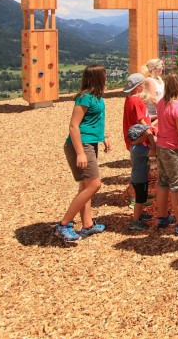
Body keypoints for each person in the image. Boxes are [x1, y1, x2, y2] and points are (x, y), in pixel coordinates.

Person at [54, 65, 111, 243]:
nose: (107, 77)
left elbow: (94, 122)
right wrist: (80, 152)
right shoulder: (84, 98)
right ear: (97, 78)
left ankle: (87, 225)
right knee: (95, 185)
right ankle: (64, 225)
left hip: (90, 143)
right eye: (104, 75)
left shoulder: (97, 97)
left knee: (86, 186)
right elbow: (73, 126)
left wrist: (104, 137)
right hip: (81, 145)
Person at [154, 74, 178, 234]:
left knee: (163, 182)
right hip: (173, 149)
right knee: (177, 185)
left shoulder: (161, 103)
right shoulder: (177, 106)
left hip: (161, 146)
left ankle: (162, 217)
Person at [122, 72, 154, 211]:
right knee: (138, 170)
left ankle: (142, 196)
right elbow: (142, 122)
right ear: (140, 86)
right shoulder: (136, 101)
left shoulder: (130, 98)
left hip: (137, 139)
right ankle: (136, 199)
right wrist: (152, 140)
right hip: (139, 140)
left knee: (143, 169)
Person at [127, 123, 155, 230]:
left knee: (141, 199)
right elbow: (154, 152)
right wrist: (151, 138)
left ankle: (139, 214)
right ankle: (135, 221)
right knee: (139, 200)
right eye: (144, 134)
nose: (146, 135)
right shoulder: (138, 149)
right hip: (140, 179)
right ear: (139, 138)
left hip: (137, 177)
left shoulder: (134, 146)